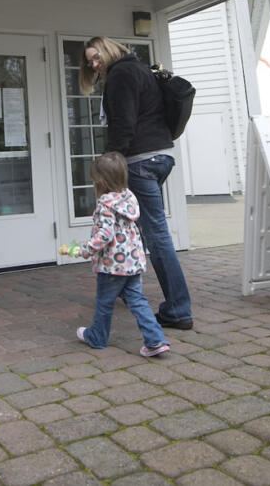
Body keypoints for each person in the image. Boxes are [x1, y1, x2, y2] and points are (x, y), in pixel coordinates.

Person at [81, 36, 193, 330]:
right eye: (90, 61)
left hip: (141, 160)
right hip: (161, 156)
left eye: (96, 56)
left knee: (156, 236)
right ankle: (125, 285)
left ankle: (178, 309)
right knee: (135, 227)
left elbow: (124, 123)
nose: (94, 64)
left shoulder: (121, 74)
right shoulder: (139, 68)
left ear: (108, 49)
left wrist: (109, 163)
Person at [74, 152, 170, 357]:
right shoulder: (128, 198)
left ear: (99, 182)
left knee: (104, 303)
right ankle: (155, 340)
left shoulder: (105, 205)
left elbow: (105, 235)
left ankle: (97, 337)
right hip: (133, 262)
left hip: (112, 266)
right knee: (138, 301)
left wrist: (85, 249)